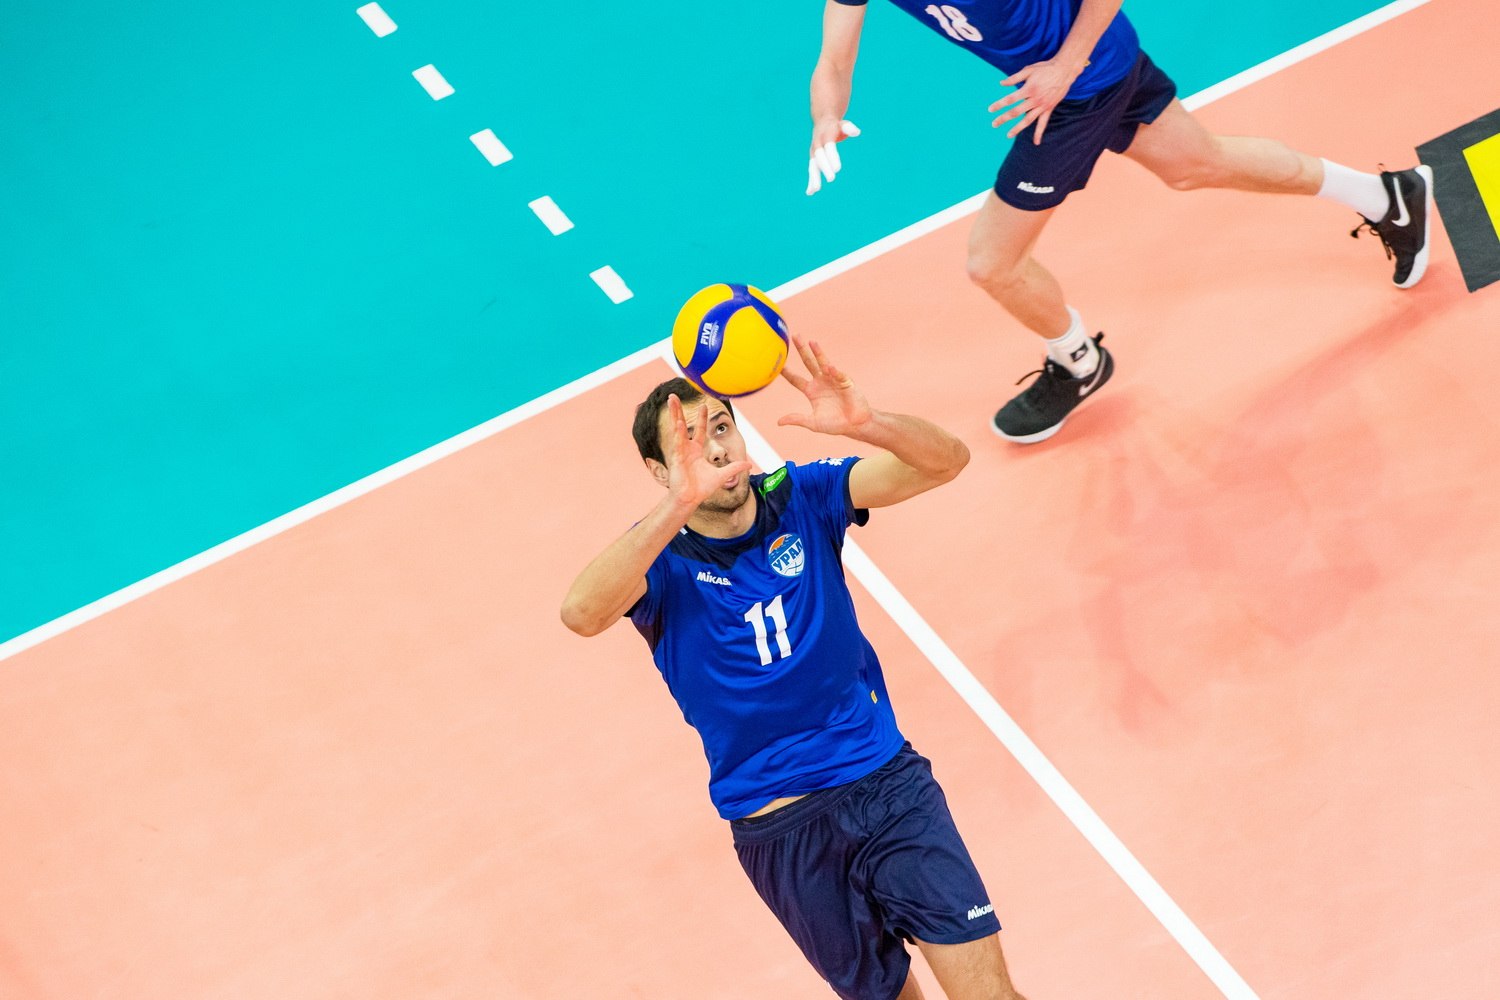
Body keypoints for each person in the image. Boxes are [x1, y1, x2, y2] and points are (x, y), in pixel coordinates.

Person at [561, 336, 1028, 1000]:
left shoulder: (803, 495)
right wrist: (678, 507)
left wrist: (869, 423)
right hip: (780, 831)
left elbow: (946, 463)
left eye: (720, 427)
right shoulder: (657, 558)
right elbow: (581, 613)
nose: (713, 447)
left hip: (884, 784)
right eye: (688, 442)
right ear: (659, 471)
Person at [804, 0, 1434, 443]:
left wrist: (1063, 69)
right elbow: (833, 60)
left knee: (992, 262)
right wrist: (826, 117)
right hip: (1096, 65)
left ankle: (1078, 361)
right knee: (1197, 163)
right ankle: (1390, 197)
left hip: (1078, 89)